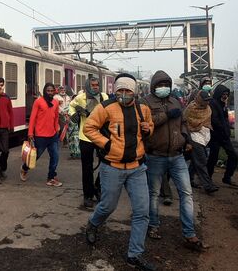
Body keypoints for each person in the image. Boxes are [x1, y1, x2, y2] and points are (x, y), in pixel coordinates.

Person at [83, 73, 156, 271]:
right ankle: (93, 224)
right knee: (107, 206)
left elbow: (149, 128)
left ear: (134, 92)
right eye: (120, 90)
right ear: (115, 91)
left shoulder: (143, 109)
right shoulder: (105, 108)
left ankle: (135, 254)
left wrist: (148, 129)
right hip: (112, 167)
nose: (124, 94)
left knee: (142, 212)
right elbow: (89, 128)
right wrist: (106, 144)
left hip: (137, 168)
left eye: (127, 91)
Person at [142, 70, 206, 251]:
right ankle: (153, 226)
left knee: (186, 193)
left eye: (166, 85)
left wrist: (186, 139)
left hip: (177, 156)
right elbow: (145, 124)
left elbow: (183, 122)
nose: (163, 88)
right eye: (160, 85)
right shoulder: (145, 103)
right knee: (153, 193)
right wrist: (166, 115)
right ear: (154, 86)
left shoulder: (175, 101)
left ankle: (189, 233)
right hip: (155, 155)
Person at [68, 77, 109, 208]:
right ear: (87, 86)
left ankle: (97, 187)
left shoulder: (104, 97)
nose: (95, 87)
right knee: (87, 168)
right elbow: (71, 106)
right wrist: (74, 114)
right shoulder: (81, 98)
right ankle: (88, 196)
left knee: (106, 164)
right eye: (93, 85)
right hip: (85, 136)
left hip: (101, 136)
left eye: (97, 85)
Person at [20, 83, 62, 186]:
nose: (50, 93)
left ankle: (51, 177)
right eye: (48, 91)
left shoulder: (56, 102)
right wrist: (30, 133)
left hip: (53, 135)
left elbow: (56, 117)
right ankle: (24, 168)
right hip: (40, 135)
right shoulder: (38, 102)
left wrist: (56, 128)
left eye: (52, 91)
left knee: (55, 157)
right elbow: (33, 118)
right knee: (35, 156)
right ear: (44, 91)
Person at [184, 90, 219, 194]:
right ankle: (208, 185)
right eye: (205, 100)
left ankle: (189, 180)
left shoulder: (207, 108)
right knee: (202, 161)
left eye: (209, 100)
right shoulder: (191, 108)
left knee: (196, 162)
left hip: (204, 138)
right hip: (194, 138)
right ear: (200, 99)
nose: (207, 102)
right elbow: (186, 122)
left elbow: (207, 121)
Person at [207, 85, 238, 185]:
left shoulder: (223, 104)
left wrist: (225, 107)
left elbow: (225, 118)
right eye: (223, 94)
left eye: (226, 94)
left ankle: (227, 177)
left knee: (233, 155)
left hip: (224, 135)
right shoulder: (212, 103)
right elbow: (215, 120)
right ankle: (208, 179)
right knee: (213, 158)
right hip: (216, 136)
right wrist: (224, 129)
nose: (225, 96)